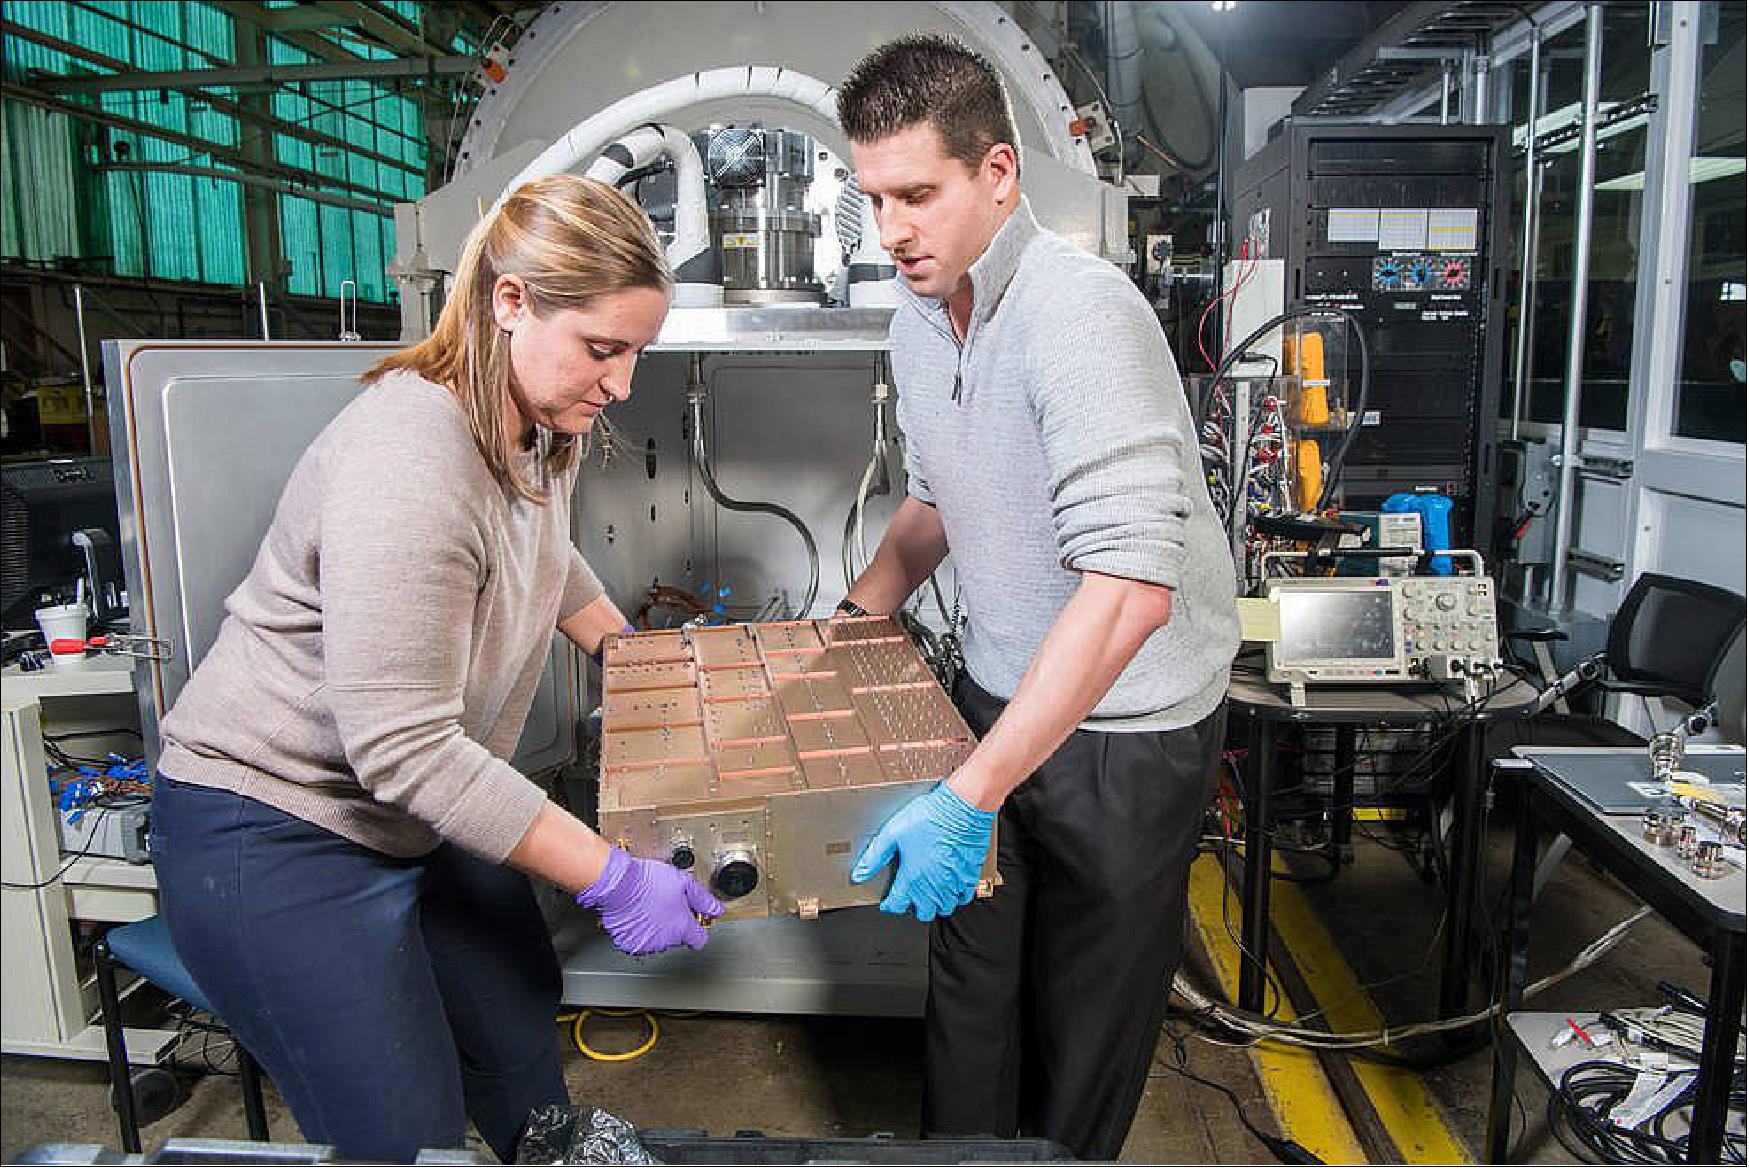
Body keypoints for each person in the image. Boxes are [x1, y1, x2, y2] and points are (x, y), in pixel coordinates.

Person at [149, 174, 723, 1163]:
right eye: (603, 347)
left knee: (514, 1010)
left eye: (636, 350)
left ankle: (546, 1148)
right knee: (399, 1131)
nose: (623, 381)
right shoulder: (410, 459)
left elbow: (544, 550)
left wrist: (628, 658)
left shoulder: (543, 417)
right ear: (511, 303)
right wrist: (611, 875)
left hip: (408, 808)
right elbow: (403, 746)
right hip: (281, 825)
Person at [834, 34, 1241, 1160]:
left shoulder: (1080, 316)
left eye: (917, 194)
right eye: (874, 199)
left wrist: (968, 794)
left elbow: (1127, 596)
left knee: (1083, 1020)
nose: (893, 230)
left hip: (1124, 727)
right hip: (994, 692)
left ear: (999, 175)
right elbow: (939, 497)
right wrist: (854, 616)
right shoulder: (917, 319)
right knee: (967, 990)